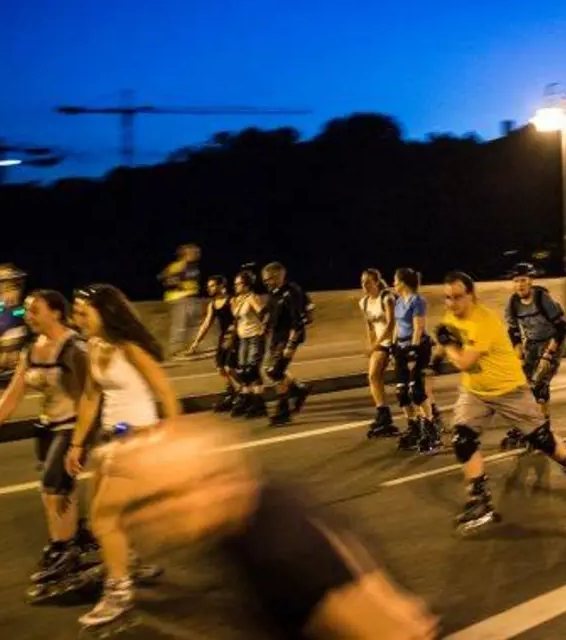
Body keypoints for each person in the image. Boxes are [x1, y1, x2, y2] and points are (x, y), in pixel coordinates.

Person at [101, 418, 438, 639]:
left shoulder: (283, 547)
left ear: (213, 483)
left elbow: (395, 630)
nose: (151, 515)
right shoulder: (245, 514)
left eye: (163, 497)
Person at [434, 271, 566, 534]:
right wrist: (437, 354)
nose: (451, 303)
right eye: (447, 298)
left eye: (457, 297)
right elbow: (450, 339)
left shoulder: (482, 321)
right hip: (475, 391)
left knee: (542, 440)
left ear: (471, 296)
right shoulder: (451, 315)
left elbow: (464, 360)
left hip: (508, 389)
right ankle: (480, 501)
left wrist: (448, 346)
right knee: (462, 440)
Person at [64, 284, 182, 628]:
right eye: (76, 311)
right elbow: (89, 397)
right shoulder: (93, 346)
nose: (77, 317)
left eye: (83, 311)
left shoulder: (129, 347)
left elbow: (166, 394)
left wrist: (171, 441)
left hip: (138, 439)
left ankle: (119, 591)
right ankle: (126, 561)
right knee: (103, 515)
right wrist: (76, 444)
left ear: (105, 311)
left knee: (104, 519)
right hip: (110, 439)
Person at [0, 290, 99, 594]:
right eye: (27, 311)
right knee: (58, 489)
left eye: (35, 311)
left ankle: (63, 549)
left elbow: (91, 396)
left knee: (52, 487)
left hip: (71, 426)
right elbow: (14, 393)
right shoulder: (31, 350)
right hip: (46, 426)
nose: (28, 317)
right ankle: (71, 540)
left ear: (56, 313)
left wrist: (79, 442)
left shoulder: (74, 348)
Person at [501, 263, 566, 450]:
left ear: (531, 281)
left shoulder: (542, 298)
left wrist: (549, 355)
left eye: (523, 280)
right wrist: (518, 352)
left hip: (552, 341)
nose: (520, 285)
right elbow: (513, 329)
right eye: (516, 281)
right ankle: (528, 425)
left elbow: (563, 327)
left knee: (539, 384)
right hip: (532, 343)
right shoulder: (513, 303)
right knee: (522, 385)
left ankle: (542, 428)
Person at [390, 268, 441, 454]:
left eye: (395, 280)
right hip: (401, 347)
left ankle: (430, 427)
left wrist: (413, 350)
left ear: (403, 282)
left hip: (418, 347)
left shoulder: (417, 301)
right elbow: (397, 325)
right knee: (401, 392)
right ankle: (413, 427)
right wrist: (393, 345)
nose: (393, 284)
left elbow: (418, 327)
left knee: (416, 391)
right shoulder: (398, 301)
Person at [260, 263, 314, 427]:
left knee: (276, 372)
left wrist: (290, 345)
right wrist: (265, 322)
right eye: (265, 280)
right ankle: (298, 389)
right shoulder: (274, 292)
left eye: (269, 279)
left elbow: (298, 322)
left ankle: (283, 411)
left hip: (289, 337)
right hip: (277, 337)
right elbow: (269, 310)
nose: (267, 283)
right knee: (270, 370)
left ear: (279, 276)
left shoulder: (292, 293)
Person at [360, 269, 400, 438]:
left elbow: (391, 324)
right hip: (381, 343)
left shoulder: (387, 298)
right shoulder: (364, 302)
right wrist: (372, 346)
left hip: (396, 340)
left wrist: (375, 345)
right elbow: (369, 326)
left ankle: (429, 412)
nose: (365, 285)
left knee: (407, 381)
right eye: (362, 282)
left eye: (368, 282)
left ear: (376, 281)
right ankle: (383, 414)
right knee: (373, 376)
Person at [188, 276, 239, 410]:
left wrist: (232, 336)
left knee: (229, 367)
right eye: (209, 286)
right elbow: (206, 324)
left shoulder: (231, 300)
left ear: (221, 286)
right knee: (220, 368)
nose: (209, 288)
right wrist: (196, 342)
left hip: (234, 337)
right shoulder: (213, 304)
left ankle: (244, 391)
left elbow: (238, 320)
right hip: (223, 338)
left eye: (212, 286)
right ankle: (232, 392)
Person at [230, 269, 271, 419]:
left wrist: (263, 329)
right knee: (242, 371)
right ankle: (248, 401)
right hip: (243, 339)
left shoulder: (252, 298)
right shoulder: (238, 300)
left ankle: (260, 405)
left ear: (246, 285)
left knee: (252, 370)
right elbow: (238, 319)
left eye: (238, 284)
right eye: (235, 284)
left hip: (254, 337)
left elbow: (265, 313)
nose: (235, 286)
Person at [0, 264, 29, 386]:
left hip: (7, 320)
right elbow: (10, 309)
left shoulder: (3, 293)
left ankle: (0, 373)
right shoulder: (2, 295)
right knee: (6, 350)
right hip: (5, 320)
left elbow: (15, 309)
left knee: (6, 350)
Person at [159, 244, 203, 358]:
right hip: (179, 298)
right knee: (180, 325)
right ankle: (176, 350)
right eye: (194, 252)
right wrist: (179, 286)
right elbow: (165, 278)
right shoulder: (178, 266)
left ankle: (189, 348)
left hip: (191, 297)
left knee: (192, 325)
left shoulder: (192, 266)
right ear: (185, 254)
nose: (197, 254)